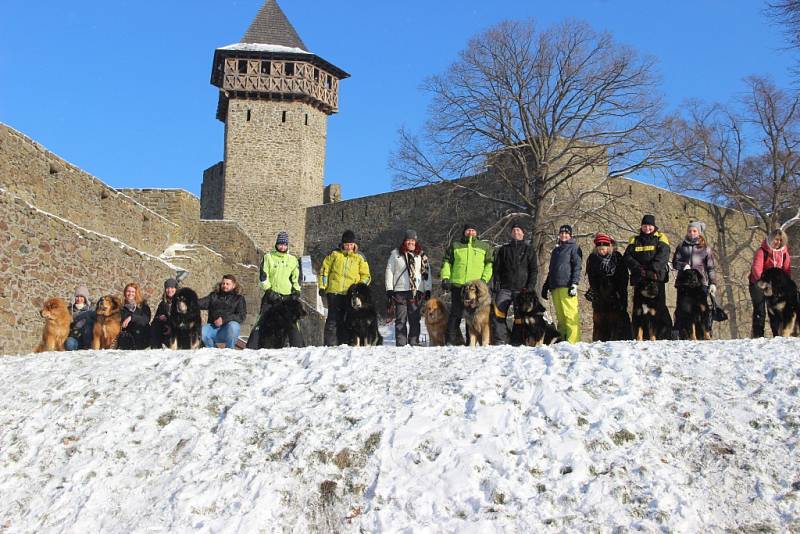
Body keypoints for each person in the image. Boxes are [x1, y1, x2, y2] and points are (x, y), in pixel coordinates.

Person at [247, 231, 304, 348]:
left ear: (287, 245)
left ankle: (299, 347)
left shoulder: (293, 260)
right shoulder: (268, 257)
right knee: (261, 320)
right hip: (271, 296)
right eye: (280, 244)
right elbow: (263, 276)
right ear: (276, 244)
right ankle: (251, 347)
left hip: (287, 298)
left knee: (293, 324)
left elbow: (297, 278)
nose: (282, 246)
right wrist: (269, 290)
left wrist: (296, 292)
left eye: (284, 244)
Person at [440, 223, 494, 345]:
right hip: (458, 285)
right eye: (468, 230)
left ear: (477, 232)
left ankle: (471, 342)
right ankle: (451, 341)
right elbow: (447, 262)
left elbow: (489, 265)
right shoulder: (455, 245)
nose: (471, 232)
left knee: (473, 316)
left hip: (476, 288)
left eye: (473, 230)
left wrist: (483, 281)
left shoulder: (484, 246)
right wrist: (446, 278)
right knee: (456, 314)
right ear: (464, 232)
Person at [319, 230, 371, 346]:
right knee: (333, 319)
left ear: (354, 244)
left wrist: (359, 289)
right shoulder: (334, 254)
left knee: (348, 320)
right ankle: (330, 345)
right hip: (334, 292)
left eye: (351, 244)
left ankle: (346, 343)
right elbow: (324, 271)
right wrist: (323, 286)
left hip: (351, 294)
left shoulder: (359, 257)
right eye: (347, 244)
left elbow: (366, 276)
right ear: (342, 244)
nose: (349, 247)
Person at [491, 223, 536, 344]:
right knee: (497, 314)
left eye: (518, 230)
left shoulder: (529, 249)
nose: (516, 232)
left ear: (523, 233)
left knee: (520, 318)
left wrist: (530, 287)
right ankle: (501, 339)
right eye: (514, 230)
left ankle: (517, 340)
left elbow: (533, 270)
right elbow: (497, 269)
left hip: (522, 289)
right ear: (511, 233)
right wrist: (496, 283)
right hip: (505, 288)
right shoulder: (504, 249)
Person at [385, 229, 432, 346]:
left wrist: (428, 289)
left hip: (416, 291)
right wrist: (389, 289)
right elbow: (389, 271)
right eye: (408, 240)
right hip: (400, 291)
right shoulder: (396, 254)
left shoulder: (421, 255)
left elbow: (426, 273)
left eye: (413, 240)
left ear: (415, 242)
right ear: (404, 241)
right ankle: (401, 343)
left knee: (415, 319)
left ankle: (414, 342)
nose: (410, 242)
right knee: (401, 319)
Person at [672, 221, 717, 335]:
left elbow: (710, 267)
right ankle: (684, 334)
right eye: (690, 231)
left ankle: (704, 333)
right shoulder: (681, 246)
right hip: (684, 283)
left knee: (702, 310)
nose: (692, 233)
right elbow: (675, 262)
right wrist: (684, 265)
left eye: (694, 231)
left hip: (700, 283)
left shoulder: (705, 248)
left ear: (699, 232)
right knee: (683, 310)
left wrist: (713, 283)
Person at [585, 232, 630, 341]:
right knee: (600, 324)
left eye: (604, 246)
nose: (602, 249)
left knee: (617, 323)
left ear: (609, 246)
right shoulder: (592, 258)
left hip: (615, 295)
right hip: (599, 296)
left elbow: (623, 277)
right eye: (599, 247)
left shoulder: (617, 257)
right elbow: (591, 277)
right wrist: (594, 291)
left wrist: (621, 296)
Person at [542, 224, 582, 343]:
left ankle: (573, 341)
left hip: (567, 285)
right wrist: (546, 285)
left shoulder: (574, 248)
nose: (564, 235)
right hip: (555, 286)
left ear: (570, 235)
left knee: (570, 315)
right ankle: (562, 340)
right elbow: (552, 269)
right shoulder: (556, 250)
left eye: (566, 233)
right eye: (562, 233)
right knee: (560, 317)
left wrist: (575, 283)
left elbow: (577, 267)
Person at [749, 228, 791, 337]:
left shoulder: (784, 253)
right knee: (760, 309)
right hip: (757, 283)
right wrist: (764, 284)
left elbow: (786, 270)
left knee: (775, 309)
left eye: (780, 240)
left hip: (775, 286)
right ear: (771, 239)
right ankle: (758, 335)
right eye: (776, 239)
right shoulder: (762, 251)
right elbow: (756, 268)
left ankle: (777, 335)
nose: (778, 242)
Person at [624, 214, 671, 309]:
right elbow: (627, 257)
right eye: (644, 226)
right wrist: (638, 268)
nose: (647, 228)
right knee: (639, 309)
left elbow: (663, 255)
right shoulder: (634, 239)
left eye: (650, 226)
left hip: (656, 278)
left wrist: (652, 269)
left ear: (654, 226)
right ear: (641, 227)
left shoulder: (661, 237)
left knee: (658, 309)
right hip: (639, 278)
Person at [199, 274, 247, 348]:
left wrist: (224, 319)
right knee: (201, 332)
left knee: (234, 326)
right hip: (213, 328)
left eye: (228, 284)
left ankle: (229, 351)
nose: (225, 285)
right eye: (223, 283)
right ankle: (211, 351)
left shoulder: (239, 298)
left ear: (233, 285)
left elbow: (241, 316)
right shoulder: (214, 296)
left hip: (228, 330)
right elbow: (201, 303)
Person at [118, 282, 152, 350]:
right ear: (125, 293)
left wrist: (132, 318)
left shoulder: (143, 306)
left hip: (143, 339)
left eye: (133, 292)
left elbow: (146, 319)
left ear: (136, 293)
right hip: (128, 340)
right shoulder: (120, 308)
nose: (130, 294)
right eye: (128, 291)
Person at [65, 285, 95, 350]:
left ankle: (87, 348)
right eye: (77, 297)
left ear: (85, 298)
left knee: (88, 326)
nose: (79, 299)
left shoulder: (91, 310)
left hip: (87, 338)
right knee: (69, 343)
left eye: (81, 296)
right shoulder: (69, 310)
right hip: (74, 337)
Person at [150, 278, 178, 349]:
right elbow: (155, 319)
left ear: (176, 289)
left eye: (172, 288)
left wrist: (171, 326)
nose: (169, 290)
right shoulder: (163, 304)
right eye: (167, 288)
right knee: (155, 324)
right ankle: (155, 348)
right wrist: (159, 317)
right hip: (166, 331)